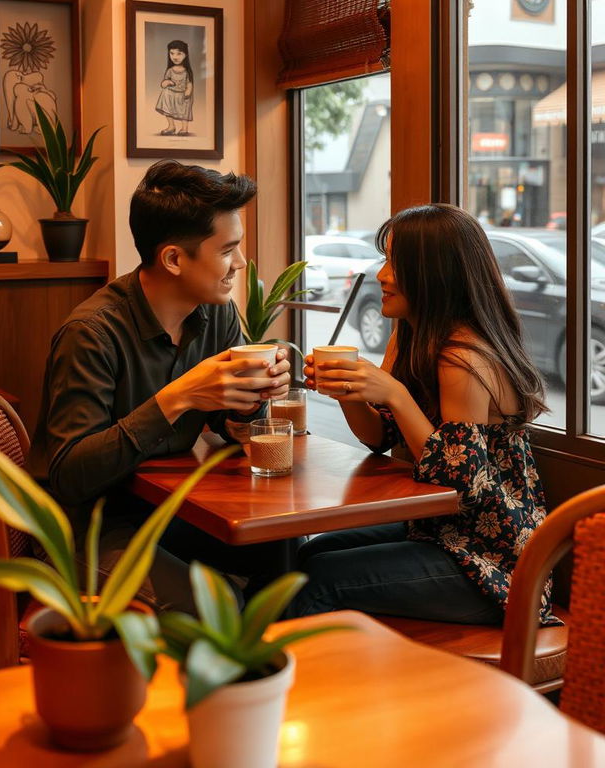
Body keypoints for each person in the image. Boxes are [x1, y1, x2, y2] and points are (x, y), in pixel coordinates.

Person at [29, 160, 291, 612]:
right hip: (83, 528)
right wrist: (178, 397)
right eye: (227, 250)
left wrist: (255, 398)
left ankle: (268, 682)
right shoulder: (91, 333)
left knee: (285, 557)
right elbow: (71, 475)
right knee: (216, 607)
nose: (241, 264)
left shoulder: (217, 314)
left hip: (164, 511)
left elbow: (227, 425)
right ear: (173, 258)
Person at [291, 203, 558, 626]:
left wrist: (396, 394)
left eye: (395, 263)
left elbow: (457, 486)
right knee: (310, 551)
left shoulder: (463, 356)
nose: (381, 274)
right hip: (438, 533)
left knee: (319, 579)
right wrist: (346, 391)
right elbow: (378, 437)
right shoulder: (411, 333)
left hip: (494, 565)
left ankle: (280, 684)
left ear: (434, 274)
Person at [155, 40, 194, 136]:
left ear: (185, 55)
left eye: (179, 54)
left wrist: (188, 91)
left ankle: (184, 128)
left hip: (182, 95)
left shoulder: (186, 71)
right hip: (172, 94)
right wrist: (166, 82)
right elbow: (164, 83)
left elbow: (189, 83)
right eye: (172, 53)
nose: (175, 57)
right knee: (165, 93)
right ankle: (171, 126)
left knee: (185, 107)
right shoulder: (170, 70)